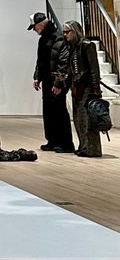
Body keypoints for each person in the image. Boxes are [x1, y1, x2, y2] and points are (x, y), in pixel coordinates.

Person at [29, 11, 74, 153]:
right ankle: (52, 140)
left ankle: (66, 143)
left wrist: (58, 83)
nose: (34, 30)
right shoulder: (44, 39)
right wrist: (37, 77)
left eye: (35, 27)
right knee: (48, 111)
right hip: (48, 81)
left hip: (56, 81)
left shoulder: (58, 38)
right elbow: (40, 61)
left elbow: (63, 62)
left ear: (41, 25)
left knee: (59, 111)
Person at [62, 20, 103, 158]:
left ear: (75, 32)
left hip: (86, 87)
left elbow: (93, 69)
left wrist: (95, 90)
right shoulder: (72, 47)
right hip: (77, 87)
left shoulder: (86, 46)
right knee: (79, 118)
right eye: (64, 32)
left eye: (67, 32)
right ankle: (83, 146)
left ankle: (91, 148)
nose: (65, 35)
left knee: (87, 119)